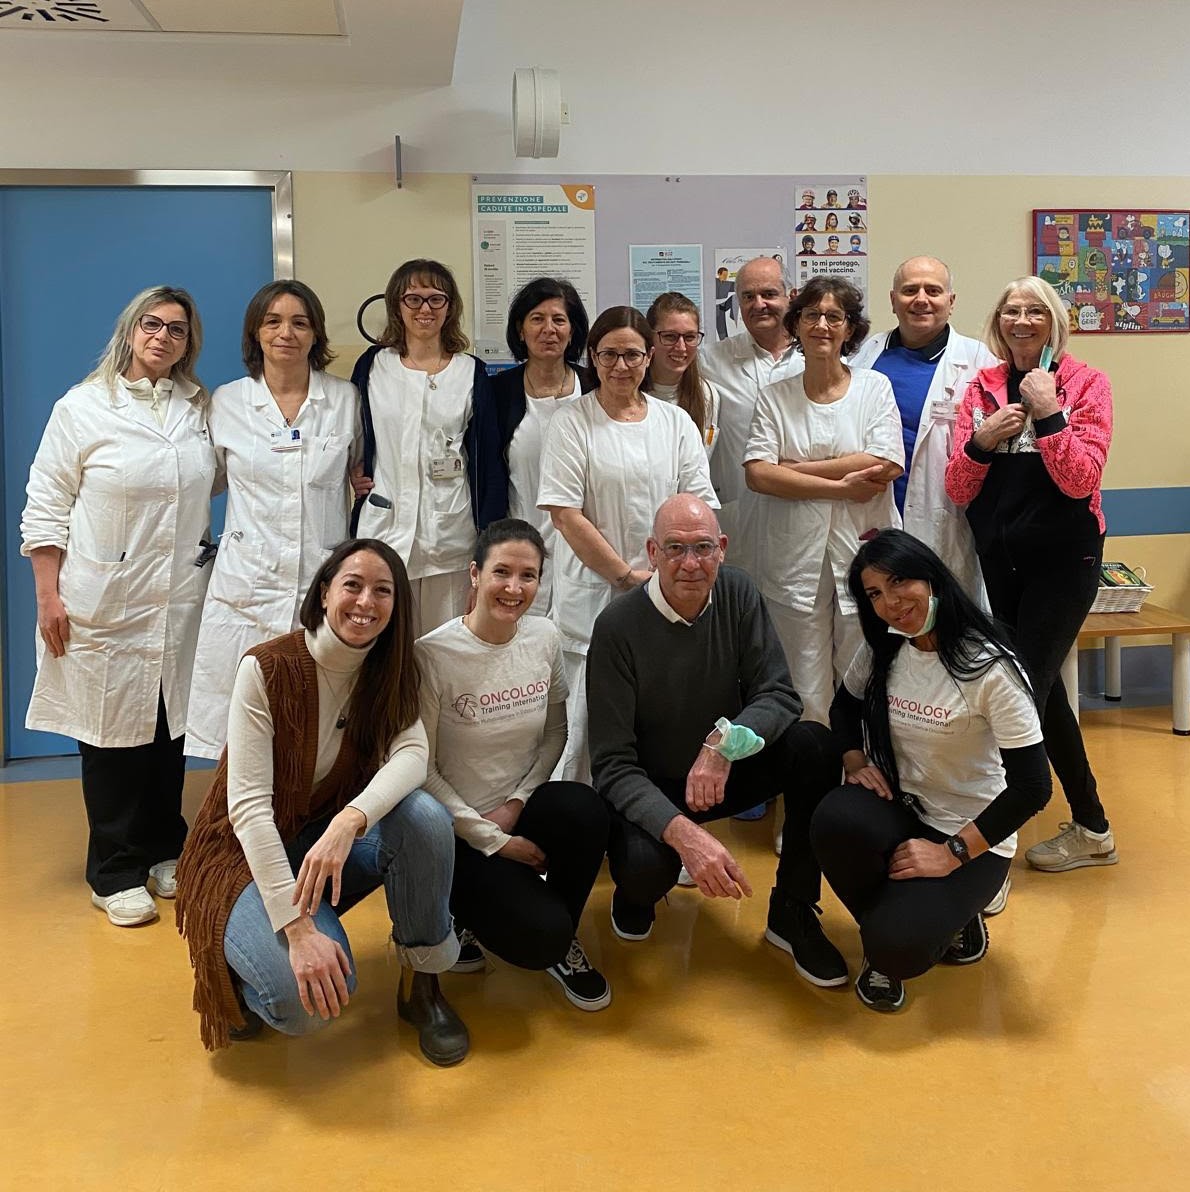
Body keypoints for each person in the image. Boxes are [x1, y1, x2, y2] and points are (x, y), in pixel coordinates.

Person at [175, 540, 468, 1062]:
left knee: (425, 817)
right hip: (239, 857)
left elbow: (413, 755)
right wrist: (298, 929)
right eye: (353, 585)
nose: (366, 602)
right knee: (306, 1006)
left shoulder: (391, 670)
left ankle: (421, 986)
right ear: (325, 591)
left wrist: (349, 821)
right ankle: (242, 971)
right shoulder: (267, 668)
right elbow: (249, 810)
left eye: (383, 591)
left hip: (321, 841)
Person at [587, 495, 847, 987]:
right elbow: (612, 765)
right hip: (655, 786)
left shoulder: (738, 592)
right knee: (644, 870)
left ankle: (792, 910)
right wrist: (685, 834)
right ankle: (637, 894)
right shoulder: (617, 627)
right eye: (675, 548)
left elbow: (779, 694)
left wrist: (723, 744)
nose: (691, 563)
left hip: (720, 772)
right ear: (653, 553)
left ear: (722, 548)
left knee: (814, 746)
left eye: (703, 547)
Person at [21, 286, 215, 928]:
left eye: (177, 329)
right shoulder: (82, 407)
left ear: (188, 343)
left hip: (177, 597)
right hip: (102, 600)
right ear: (130, 331)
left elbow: (230, 473)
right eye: (151, 324)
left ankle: (163, 848)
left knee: (167, 728)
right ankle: (113, 870)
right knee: (109, 736)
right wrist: (48, 596)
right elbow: (45, 503)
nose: (163, 337)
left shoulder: (198, 408)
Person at [811, 529, 1051, 1012]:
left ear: (931, 579)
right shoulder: (886, 648)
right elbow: (843, 709)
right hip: (904, 807)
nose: (891, 603)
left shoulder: (990, 667)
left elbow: (1033, 786)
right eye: (874, 594)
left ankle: (944, 919)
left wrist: (952, 853)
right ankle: (892, 927)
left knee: (899, 947)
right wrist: (856, 760)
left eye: (900, 581)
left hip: (970, 831)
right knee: (835, 820)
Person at [945, 276, 1117, 874]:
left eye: (1034, 311)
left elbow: (1080, 479)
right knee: (1043, 693)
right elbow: (958, 488)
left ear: (1054, 322)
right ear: (999, 321)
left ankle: (984, 843)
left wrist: (1047, 412)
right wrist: (981, 441)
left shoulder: (1086, 383)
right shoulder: (981, 387)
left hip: (1065, 560)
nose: (1021, 320)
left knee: (1019, 691)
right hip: (1003, 559)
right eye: (1011, 310)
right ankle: (1092, 827)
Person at [416, 519, 612, 1011]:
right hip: (460, 832)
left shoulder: (543, 637)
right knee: (536, 938)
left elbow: (554, 733)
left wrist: (518, 803)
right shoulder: (433, 655)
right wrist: (494, 839)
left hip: (517, 809)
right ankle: (462, 913)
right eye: (501, 572)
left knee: (585, 809)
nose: (514, 588)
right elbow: (421, 768)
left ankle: (563, 935)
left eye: (528, 576)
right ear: (475, 574)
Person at [539, 306, 717, 782]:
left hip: (665, 594)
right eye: (609, 355)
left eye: (632, 355)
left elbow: (696, 506)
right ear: (592, 357)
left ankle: (651, 817)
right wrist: (624, 576)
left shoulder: (675, 422)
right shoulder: (570, 422)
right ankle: (578, 818)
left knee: (658, 722)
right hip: (593, 595)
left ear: (649, 356)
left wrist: (669, 574)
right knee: (583, 732)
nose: (621, 366)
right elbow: (565, 514)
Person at [186, 280, 361, 759]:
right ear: (255, 333)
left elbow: (363, 473)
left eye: (300, 323)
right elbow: (203, 482)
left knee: (318, 726)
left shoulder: (344, 400)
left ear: (315, 334)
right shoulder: (227, 402)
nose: (287, 333)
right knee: (242, 725)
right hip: (247, 584)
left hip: (318, 582)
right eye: (273, 322)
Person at [744, 276, 904, 726]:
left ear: (850, 328)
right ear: (795, 324)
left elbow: (885, 462)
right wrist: (841, 486)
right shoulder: (775, 397)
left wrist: (792, 470)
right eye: (811, 315)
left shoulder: (874, 388)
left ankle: (863, 759)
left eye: (835, 317)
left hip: (862, 547)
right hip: (796, 559)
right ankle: (814, 764)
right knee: (803, 679)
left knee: (864, 670)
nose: (822, 326)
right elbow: (757, 474)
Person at [350, 258, 506, 635]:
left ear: (450, 307)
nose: (425, 308)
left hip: (451, 536)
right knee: (385, 647)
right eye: (414, 299)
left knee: (447, 648)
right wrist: (351, 473)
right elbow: (350, 435)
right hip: (385, 528)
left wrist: (489, 549)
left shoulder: (470, 371)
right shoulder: (373, 365)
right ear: (396, 305)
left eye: (436, 299)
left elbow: (488, 462)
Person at [849, 257, 997, 601]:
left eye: (933, 290)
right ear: (892, 300)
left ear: (951, 301)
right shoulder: (863, 356)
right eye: (909, 290)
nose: (921, 299)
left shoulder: (980, 363)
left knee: (942, 618)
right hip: (870, 515)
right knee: (874, 619)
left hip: (945, 519)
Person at [489, 277, 593, 617]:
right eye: (537, 319)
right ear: (521, 330)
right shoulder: (497, 393)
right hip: (519, 553)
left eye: (559, 319)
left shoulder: (595, 387)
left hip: (586, 554)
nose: (549, 329)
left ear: (573, 331)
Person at [700, 256, 804, 577]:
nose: (759, 304)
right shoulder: (711, 360)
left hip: (803, 514)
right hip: (738, 517)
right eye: (748, 296)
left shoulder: (817, 358)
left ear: (792, 297)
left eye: (769, 294)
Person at [643, 290, 721, 458]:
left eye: (690, 337)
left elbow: (701, 461)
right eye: (670, 336)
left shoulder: (706, 394)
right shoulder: (630, 389)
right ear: (650, 338)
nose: (681, 347)